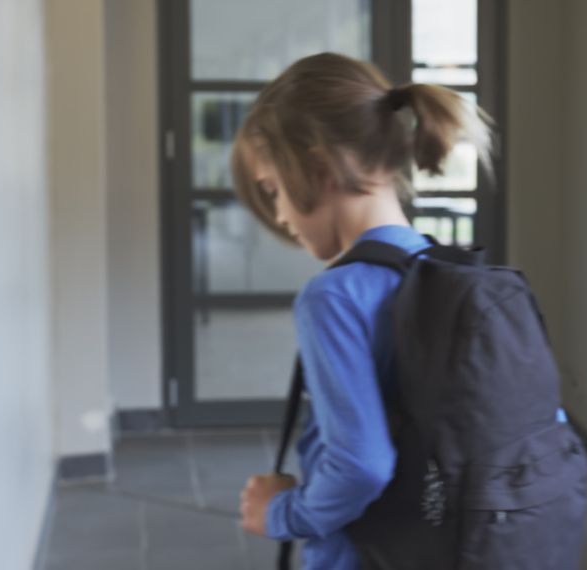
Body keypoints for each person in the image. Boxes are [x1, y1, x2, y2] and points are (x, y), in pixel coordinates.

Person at [234, 52, 493, 569]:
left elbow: (362, 465)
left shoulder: (334, 296)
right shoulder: (449, 272)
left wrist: (281, 513)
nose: (279, 215)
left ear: (317, 167)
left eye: (273, 190)